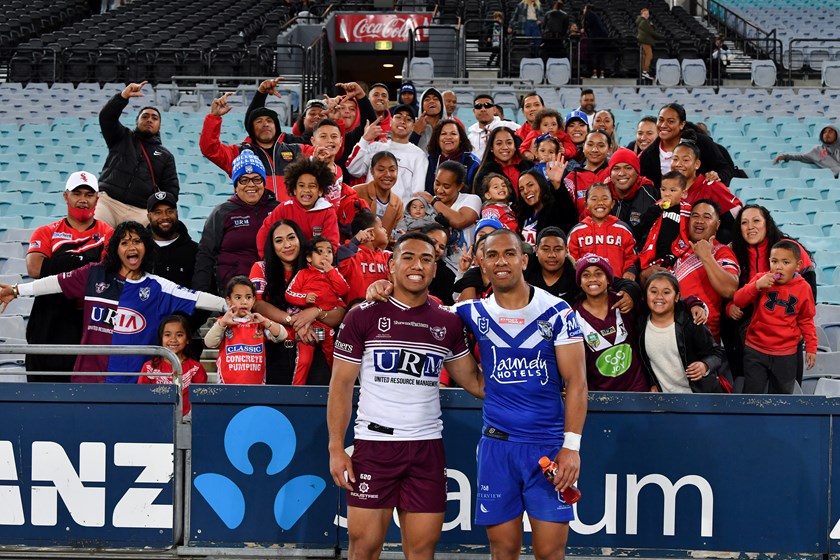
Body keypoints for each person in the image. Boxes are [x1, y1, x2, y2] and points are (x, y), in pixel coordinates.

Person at [327, 232, 484, 560]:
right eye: (408, 257)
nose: (417, 265)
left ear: (435, 266)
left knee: (422, 551)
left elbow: (475, 383)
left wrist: (532, 385)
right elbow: (341, 385)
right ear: (391, 264)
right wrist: (336, 448)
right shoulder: (363, 315)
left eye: (426, 259)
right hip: (374, 446)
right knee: (364, 548)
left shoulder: (447, 322)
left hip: (427, 447)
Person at [452, 228, 587, 560]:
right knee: (503, 550)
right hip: (497, 449)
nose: (501, 262)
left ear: (524, 260)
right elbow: (422, 312)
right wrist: (380, 288)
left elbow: (577, 383)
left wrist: (571, 447)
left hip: (548, 450)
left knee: (550, 552)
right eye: (493, 255)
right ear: (481, 264)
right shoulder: (470, 312)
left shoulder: (557, 312)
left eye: (509, 254)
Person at [0, 221, 227, 383]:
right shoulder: (94, 275)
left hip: (136, 383)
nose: (132, 247)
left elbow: (197, 297)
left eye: (137, 241)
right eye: (125, 242)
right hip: (89, 379)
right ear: (116, 249)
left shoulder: (159, 286)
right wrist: (16, 290)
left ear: (146, 247)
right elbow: (55, 283)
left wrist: (228, 306)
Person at [24, 171, 113, 381]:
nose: (83, 200)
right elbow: (35, 268)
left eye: (89, 195)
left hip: (87, 318)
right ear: (66, 196)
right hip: (48, 318)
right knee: (41, 389)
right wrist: (85, 263)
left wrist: (58, 264)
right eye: (77, 193)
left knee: (84, 392)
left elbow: (106, 273)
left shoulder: (109, 233)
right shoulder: (46, 231)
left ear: (97, 199)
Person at [726, 204, 816, 383]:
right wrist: (729, 307)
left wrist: (802, 333)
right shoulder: (732, 250)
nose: (750, 226)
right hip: (751, 337)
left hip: (787, 336)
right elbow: (728, 292)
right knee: (752, 392)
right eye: (744, 222)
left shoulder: (790, 248)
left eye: (756, 220)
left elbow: (809, 295)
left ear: (767, 223)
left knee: (784, 394)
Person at [251, 220, 344, 385]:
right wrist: (295, 321)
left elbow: (340, 312)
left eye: (291, 238)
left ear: (301, 240)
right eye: (279, 241)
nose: (287, 245)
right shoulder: (261, 267)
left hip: (314, 343)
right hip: (274, 348)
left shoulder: (321, 269)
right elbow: (257, 304)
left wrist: (316, 312)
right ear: (272, 246)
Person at [645, 199, 739, 344]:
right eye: (695, 216)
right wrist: (646, 274)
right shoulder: (677, 249)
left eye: (706, 217)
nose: (699, 221)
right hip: (669, 331)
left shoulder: (722, 251)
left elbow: (730, 289)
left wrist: (706, 256)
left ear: (717, 224)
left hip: (702, 334)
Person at [200, 79, 312, 200]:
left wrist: (335, 120)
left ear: (276, 127)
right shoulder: (239, 153)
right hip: (254, 217)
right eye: (259, 121)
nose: (265, 124)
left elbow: (327, 152)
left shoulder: (297, 150)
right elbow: (209, 149)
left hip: (290, 217)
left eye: (269, 121)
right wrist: (214, 117)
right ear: (251, 129)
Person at [732, 240, 817, 394]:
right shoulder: (761, 279)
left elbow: (806, 320)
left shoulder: (804, 288)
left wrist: (811, 347)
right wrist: (756, 285)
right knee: (752, 396)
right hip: (755, 349)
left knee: (781, 399)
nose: (778, 267)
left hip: (786, 354)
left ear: (797, 266)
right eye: (774, 261)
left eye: (785, 262)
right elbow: (738, 300)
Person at [193, 150, 279, 295]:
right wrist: (200, 294)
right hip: (234, 293)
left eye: (257, 179)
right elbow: (205, 255)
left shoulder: (278, 209)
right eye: (244, 180)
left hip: (272, 291)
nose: (251, 185)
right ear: (235, 185)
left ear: (264, 182)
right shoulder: (222, 213)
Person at [96, 81, 178, 226]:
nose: (149, 120)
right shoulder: (122, 137)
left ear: (159, 125)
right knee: (94, 232)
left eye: (154, 118)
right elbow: (106, 118)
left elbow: (171, 190)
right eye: (145, 116)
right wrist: (122, 97)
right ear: (137, 121)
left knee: (152, 235)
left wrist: (157, 209)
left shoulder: (165, 156)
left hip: (140, 210)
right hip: (108, 202)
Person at [638, 271, 725, 393]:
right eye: (653, 291)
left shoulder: (691, 322)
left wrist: (705, 365)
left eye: (666, 292)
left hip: (699, 398)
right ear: (646, 295)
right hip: (664, 402)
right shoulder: (639, 323)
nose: (659, 296)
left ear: (677, 297)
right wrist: (652, 383)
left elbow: (717, 353)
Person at [572, 254, 649, 392]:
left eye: (599, 274)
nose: (593, 279)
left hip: (637, 388)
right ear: (580, 282)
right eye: (586, 275)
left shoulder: (625, 301)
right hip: (600, 394)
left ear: (608, 279)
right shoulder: (573, 315)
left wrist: (692, 303)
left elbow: (659, 308)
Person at [285, 236, 349, 385]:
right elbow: (289, 294)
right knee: (304, 360)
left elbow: (344, 289)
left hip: (327, 326)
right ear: (309, 258)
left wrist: (331, 271)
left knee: (333, 359)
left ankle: (337, 388)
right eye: (319, 252)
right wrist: (304, 298)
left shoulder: (335, 274)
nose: (325, 255)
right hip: (307, 326)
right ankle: (296, 391)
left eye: (329, 252)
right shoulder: (303, 274)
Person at [204, 276, 287, 385]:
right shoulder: (223, 322)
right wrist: (222, 323)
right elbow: (209, 343)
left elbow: (282, 335)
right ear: (228, 300)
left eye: (248, 297)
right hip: (227, 386)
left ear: (253, 300)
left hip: (256, 387)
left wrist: (266, 322)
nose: (244, 302)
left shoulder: (259, 322)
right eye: (238, 297)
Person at [255, 156, 340, 256]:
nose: (306, 190)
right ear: (294, 189)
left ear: (320, 191)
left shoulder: (328, 211)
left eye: (312, 186)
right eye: (301, 186)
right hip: (287, 263)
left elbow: (331, 244)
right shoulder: (283, 209)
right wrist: (266, 259)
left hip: (317, 265)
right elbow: (264, 233)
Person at [639, 103, 735, 189]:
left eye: (671, 121)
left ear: (682, 124)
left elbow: (726, 169)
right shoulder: (647, 155)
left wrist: (717, 176)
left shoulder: (701, 143)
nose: (663, 125)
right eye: (660, 120)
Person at [346, 105, 429, 202]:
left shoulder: (419, 155)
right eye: (398, 117)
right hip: (369, 211)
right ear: (390, 122)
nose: (402, 121)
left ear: (413, 127)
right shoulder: (375, 147)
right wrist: (364, 139)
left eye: (408, 119)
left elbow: (417, 193)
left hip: (400, 214)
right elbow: (353, 169)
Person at [413, 161, 482, 276]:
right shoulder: (426, 204)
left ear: (459, 186)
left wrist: (433, 201)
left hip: (464, 268)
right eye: (437, 183)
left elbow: (460, 220)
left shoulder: (471, 199)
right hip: (433, 268)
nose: (439, 190)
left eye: (446, 186)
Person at [669, 140, 742, 242]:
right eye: (675, 159)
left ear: (697, 164)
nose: (678, 164)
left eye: (685, 160)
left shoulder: (712, 186)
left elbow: (738, 218)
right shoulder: (667, 189)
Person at [138, 314, 207, 416]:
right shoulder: (149, 367)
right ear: (161, 338)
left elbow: (201, 400)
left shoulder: (195, 368)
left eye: (179, 335)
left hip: (186, 423)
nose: (173, 339)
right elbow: (141, 398)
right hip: (154, 420)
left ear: (187, 339)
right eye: (167, 335)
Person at [567, 183, 637, 278]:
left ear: (612, 204)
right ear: (586, 204)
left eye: (605, 198)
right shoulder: (576, 232)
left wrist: (630, 272)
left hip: (617, 284)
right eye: (594, 199)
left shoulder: (623, 229)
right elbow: (571, 261)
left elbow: (631, 258)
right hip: (587, 285)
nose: (600, 202)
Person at [636, 170, 692, 271]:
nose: (667, 194)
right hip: (654, 254)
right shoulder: (656, 207)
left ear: (683, 193)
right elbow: (642, 225)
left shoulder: (687, 212)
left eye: (672, 190)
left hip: (675, 256)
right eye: (663, 189)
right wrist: (656, 209)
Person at [146, 192, 198, 288]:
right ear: (149, 217)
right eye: (158, 212)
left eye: (170, 211)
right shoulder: (140, 249)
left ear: (177, 213)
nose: (165, 217)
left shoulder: (195, 251)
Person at [337, 211, 391, 304]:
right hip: (357, 311)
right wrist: (355, 241)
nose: (385, 230)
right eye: (381, 227)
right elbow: (342, 266)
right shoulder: (351, 256)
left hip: (384, 312)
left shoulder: (387, 256)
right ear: (370, 233)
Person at [606, 147, 658, 238]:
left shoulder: (649, 193)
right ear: (610, 173)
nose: (621, 173)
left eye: (628, 168)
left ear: (637, 172)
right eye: (616, 168)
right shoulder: (603, 192)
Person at [516, 169, 577, 246]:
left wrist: (557, 184)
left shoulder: (555, 210)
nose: (526, 191)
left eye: (530, 185)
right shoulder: (523, 214)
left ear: (541, 185)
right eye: (521, 189)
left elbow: (568, 211)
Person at [560, 129, 611, 219]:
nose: (595, 149)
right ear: (583, 147)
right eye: (590, 145)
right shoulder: (571, 178)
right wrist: (556, 185)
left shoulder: (614, 174)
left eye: (601, 145)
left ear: (609, 149)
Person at [353, 151, 404, 240]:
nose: (387, 174)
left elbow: (392, 238)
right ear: (372, 171)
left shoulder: (398, 203)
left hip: (381, 252)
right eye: (381, 170)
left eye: (392, 170)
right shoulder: (356, 192)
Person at [474, 127, 534, 201]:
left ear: (515, 146)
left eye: (509, 143)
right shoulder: (483, 173)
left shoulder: (530, 166)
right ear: (491, 148)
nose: (505, 147)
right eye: (499, 143)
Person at [424, 119, 481, 193]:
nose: (448, 137)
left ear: (460, 138)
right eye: (444, 134)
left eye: (453, 134)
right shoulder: (429, 160)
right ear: (437, 138)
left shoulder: (472, 162)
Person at [525, 226, 577, 299]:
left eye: (558, 249)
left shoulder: (575, 280)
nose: (551, 255)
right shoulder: (525, 275)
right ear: (537, 250)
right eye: (546, 249)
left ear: (566, 251)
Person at [773, 125, 840, 178]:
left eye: (830, 132)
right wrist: (785, 157)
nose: (827, 134)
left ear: (837, 135)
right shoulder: (817, 151)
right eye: (825, 132)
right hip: (831, 179)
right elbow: (800, 157)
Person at [467, 94, 520, 159]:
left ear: (494, 110)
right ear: (474, 111)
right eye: (478, 106)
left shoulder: (509, 126)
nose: (483, 109)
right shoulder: (470, 136)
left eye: (487, 106)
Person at [581, 4, 608, 79]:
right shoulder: (595, 15)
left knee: (594, 55)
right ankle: (602, 74)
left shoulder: (589, 14)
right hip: (602, 37)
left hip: (596, 37)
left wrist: (584, 29)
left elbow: (589, 24)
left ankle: (595, 73)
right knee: (601, 56)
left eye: (584, 8)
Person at [636, 7, 659, 81]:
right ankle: (645, 71)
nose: (647, 15)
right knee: (649, 55)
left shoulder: (641, 21)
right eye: (645, 14)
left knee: (644, 56)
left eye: (648, 14)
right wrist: (660, 36)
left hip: (642, 41)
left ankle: (643, 73)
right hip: (645, 41)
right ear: (641, 14)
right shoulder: (644, 22)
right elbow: (651, 31)